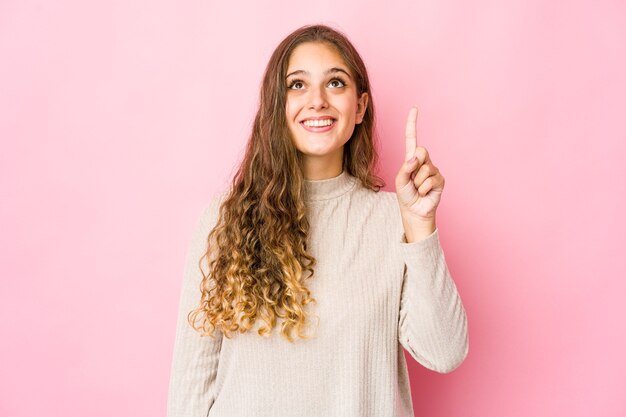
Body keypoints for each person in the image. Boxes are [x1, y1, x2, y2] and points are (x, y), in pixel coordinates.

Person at [167, 24, 468, 417]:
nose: (317, 101)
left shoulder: (395, 220)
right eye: (297, 85)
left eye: (336, 83)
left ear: (359, 107)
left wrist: (421, 225)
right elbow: (191, 385)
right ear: (278, 105)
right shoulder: (224, 219)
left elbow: (443, 352)